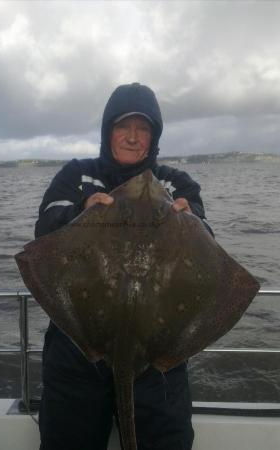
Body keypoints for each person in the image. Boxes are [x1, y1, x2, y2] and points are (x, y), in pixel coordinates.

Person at [35, 82, 212, 450]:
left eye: (143, 128)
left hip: (156, 352)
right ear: (107, 131)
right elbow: (44, 230)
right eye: (123, 126)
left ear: (154, 136)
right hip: (78, 344)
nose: (132, 137)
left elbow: (208, 243)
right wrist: (80, 213)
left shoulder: (175, 183)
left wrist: (190, 222)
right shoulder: (77, 175)